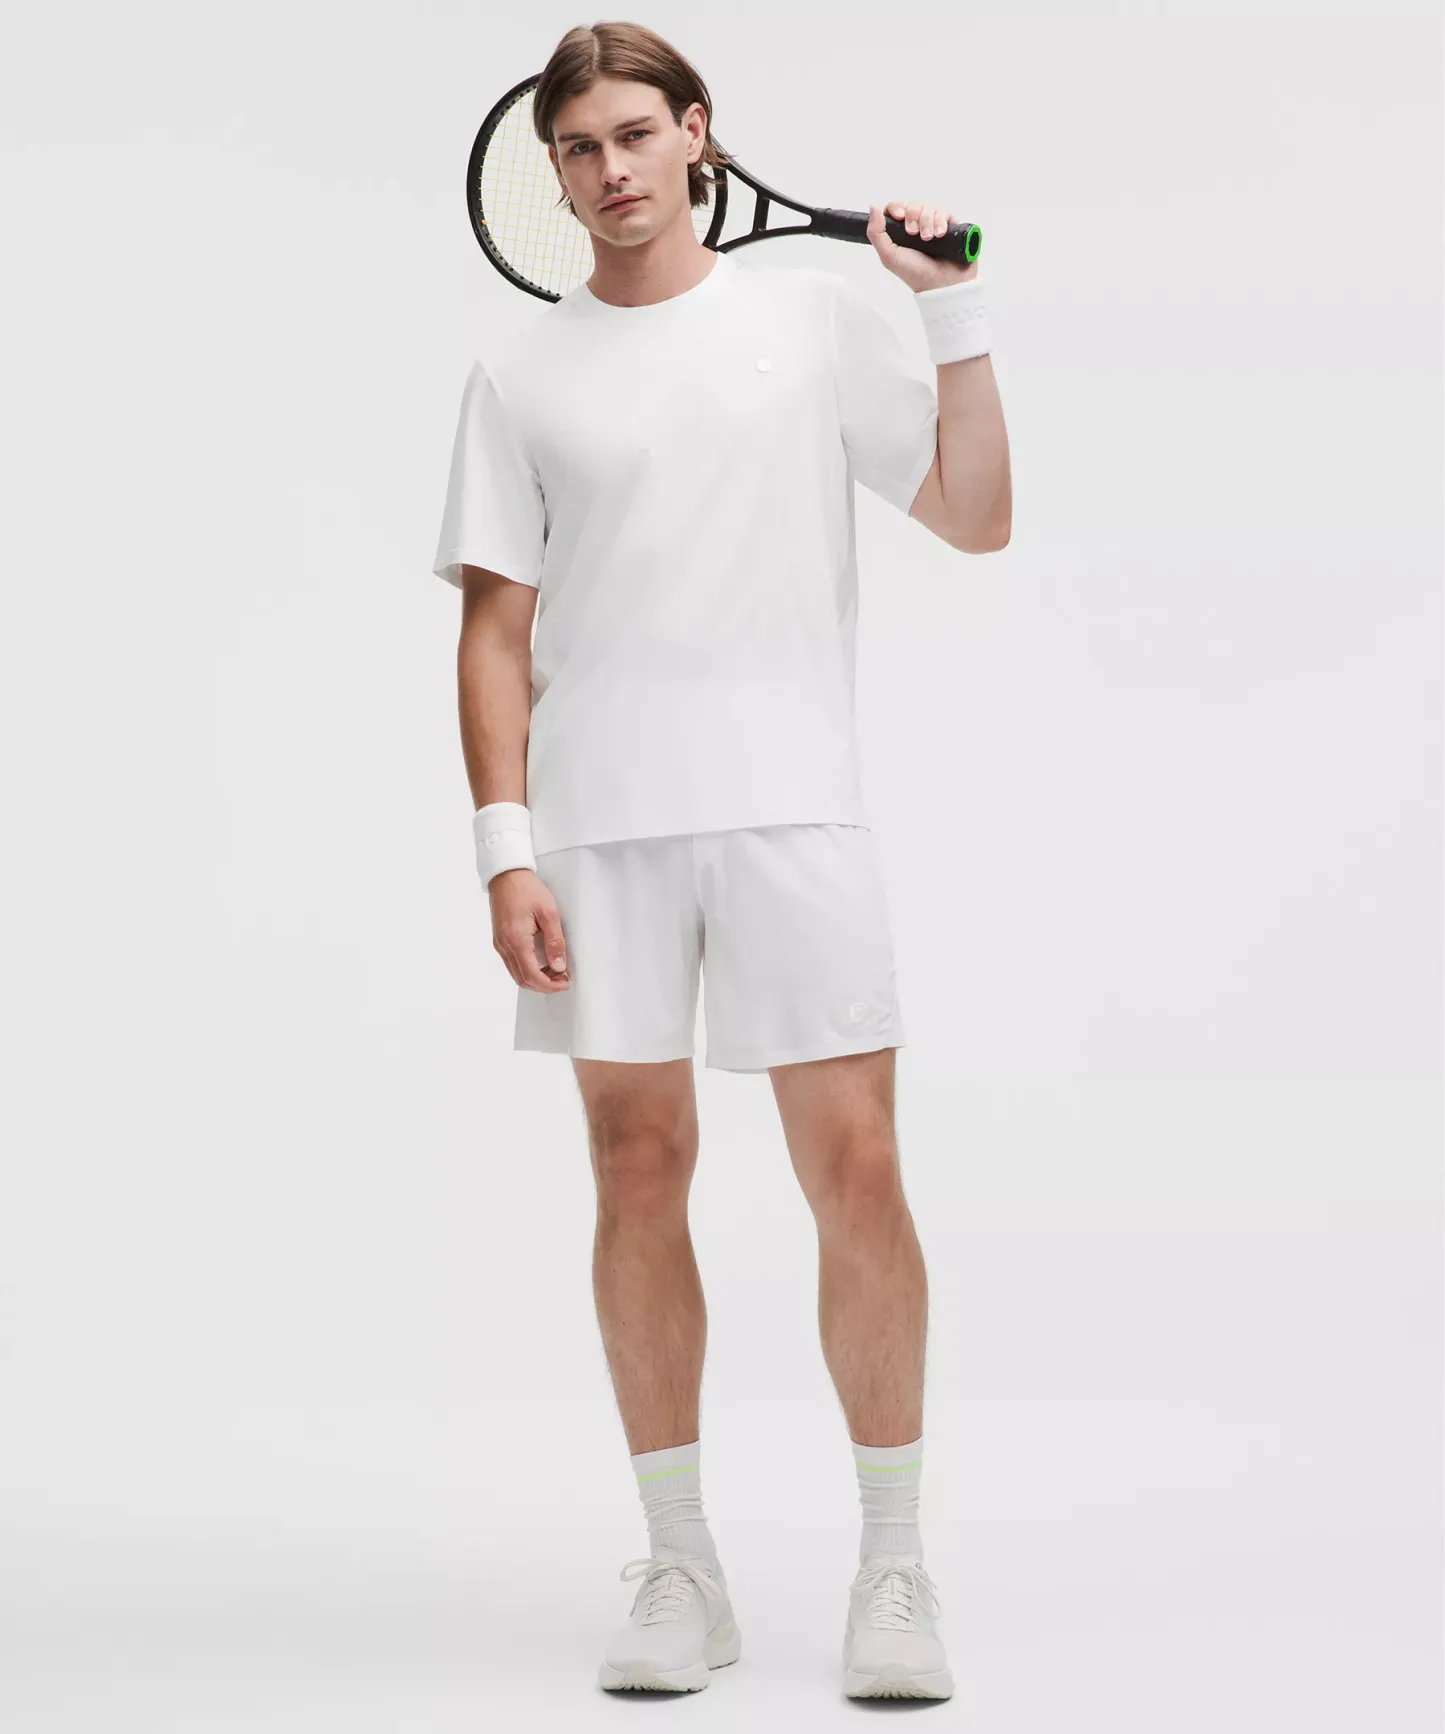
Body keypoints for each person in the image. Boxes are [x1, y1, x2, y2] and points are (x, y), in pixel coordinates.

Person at [431, 19, 1009, 1701]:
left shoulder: (812, 320)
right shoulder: (518, 376)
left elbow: (976, 515)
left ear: (699, 132)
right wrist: (504, 849)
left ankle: (893, 1566)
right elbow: (494, 633)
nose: (609, 170)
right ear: (553, 173)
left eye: (633, 133)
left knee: (858, 1170)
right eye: (577, 148)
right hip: (598, 828)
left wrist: (951, 313)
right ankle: (682, 1565)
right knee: (636, 1168)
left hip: (793, 811)